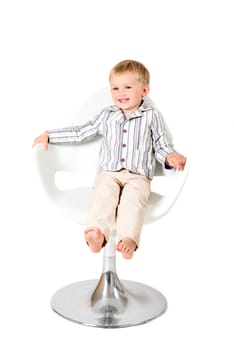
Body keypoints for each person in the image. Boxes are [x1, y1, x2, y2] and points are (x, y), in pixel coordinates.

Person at [33, 59, 186, 259]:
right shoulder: (107, 115)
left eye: (128, 87)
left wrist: (169, 157)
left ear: (144, 90)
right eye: (115, 88)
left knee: (133, 201)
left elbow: (161, 144)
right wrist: (50, 135)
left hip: (138, 176)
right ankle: (97, 234)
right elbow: (81, 132)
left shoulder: (152, 116)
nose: (120, 93)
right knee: (103, 197)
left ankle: (128, 239)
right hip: (109, 173)